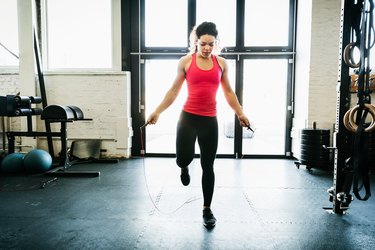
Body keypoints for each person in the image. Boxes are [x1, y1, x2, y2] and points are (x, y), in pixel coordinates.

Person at [146, 21, 250, 228]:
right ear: (196, 41)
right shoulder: (185, 62)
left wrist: (240, 113)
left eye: (211, 44)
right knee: (182, 159)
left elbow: (229, 92)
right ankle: (184, 167)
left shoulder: (221, 64)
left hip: (209, 121)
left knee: (207, 166)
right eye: (203, 43)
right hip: (187, 119)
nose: (207, 48)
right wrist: (156, 111)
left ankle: (207, 209)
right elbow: (174, 91)